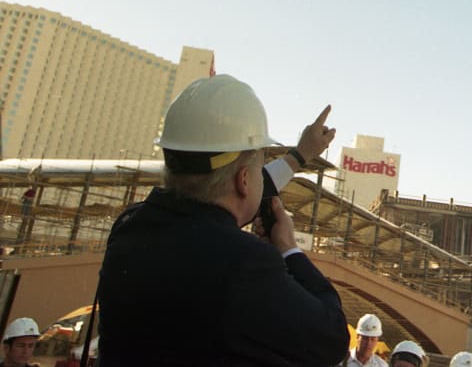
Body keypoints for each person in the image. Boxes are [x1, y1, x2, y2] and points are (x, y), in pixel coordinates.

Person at [98, 74, 349, 366]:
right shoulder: (244, 263)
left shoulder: (129, 230)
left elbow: (221, 196)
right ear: (244, 180)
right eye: (257, 169)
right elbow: (330, 340)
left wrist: (300, 155)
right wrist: (289, 248)